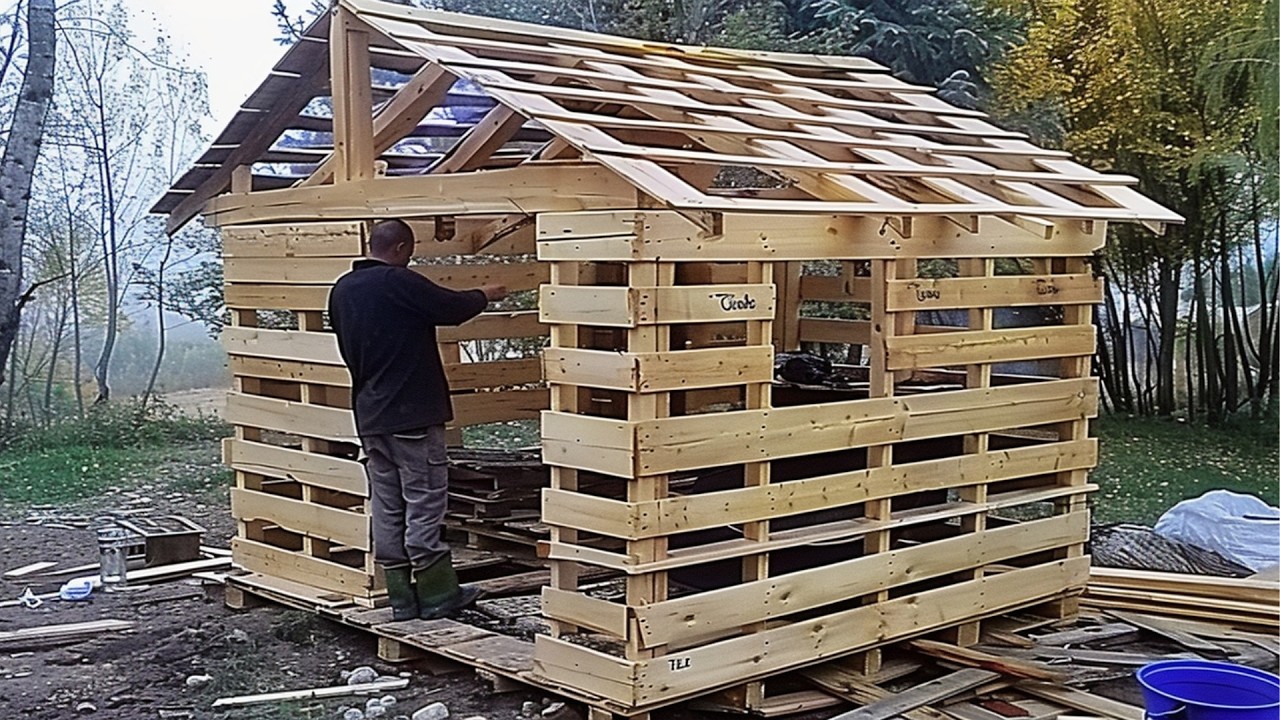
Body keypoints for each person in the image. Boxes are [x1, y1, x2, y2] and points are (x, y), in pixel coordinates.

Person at [328, 218, 506, 621]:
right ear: (401, 248)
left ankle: (401, 597)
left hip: (371, 415)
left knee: (388, 503)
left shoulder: (342, 290)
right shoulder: (397, 282)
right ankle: (439, 592)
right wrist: (486, 294)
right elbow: (450, 307)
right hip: (412, 411)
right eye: (409, 253)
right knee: (424, 498)